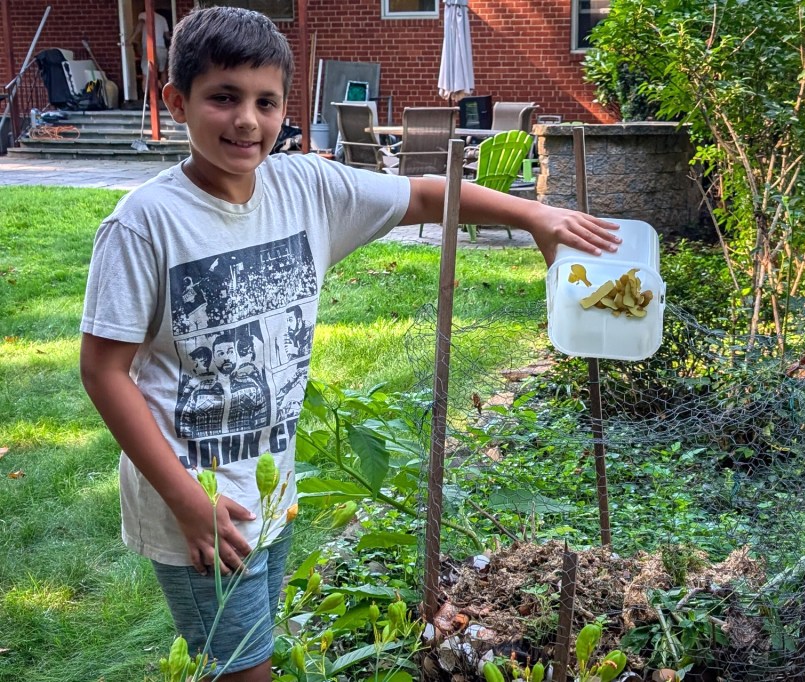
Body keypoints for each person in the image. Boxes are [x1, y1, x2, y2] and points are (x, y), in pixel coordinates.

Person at [78, 6, 619, 681]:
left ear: (284, 108)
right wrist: (189, 502)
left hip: (270, 488)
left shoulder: (306, 188)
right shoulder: (144, 224)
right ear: (177, 102)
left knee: (246, 659)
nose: (247, 119)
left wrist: (534, 211)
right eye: (223, 97)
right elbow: (103, 371)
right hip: (195, 504)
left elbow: (423, 196)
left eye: (265, 101)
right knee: (245, 670)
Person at [130, 9, 171, 89]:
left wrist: (132, 38)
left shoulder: (143, 15)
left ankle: (146, 98)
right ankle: (167, 97)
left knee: (146, 75)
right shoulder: (162, 18)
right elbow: (167, 36)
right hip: (161, 48)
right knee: (163, 72)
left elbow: (141, 23)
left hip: (149, 48)